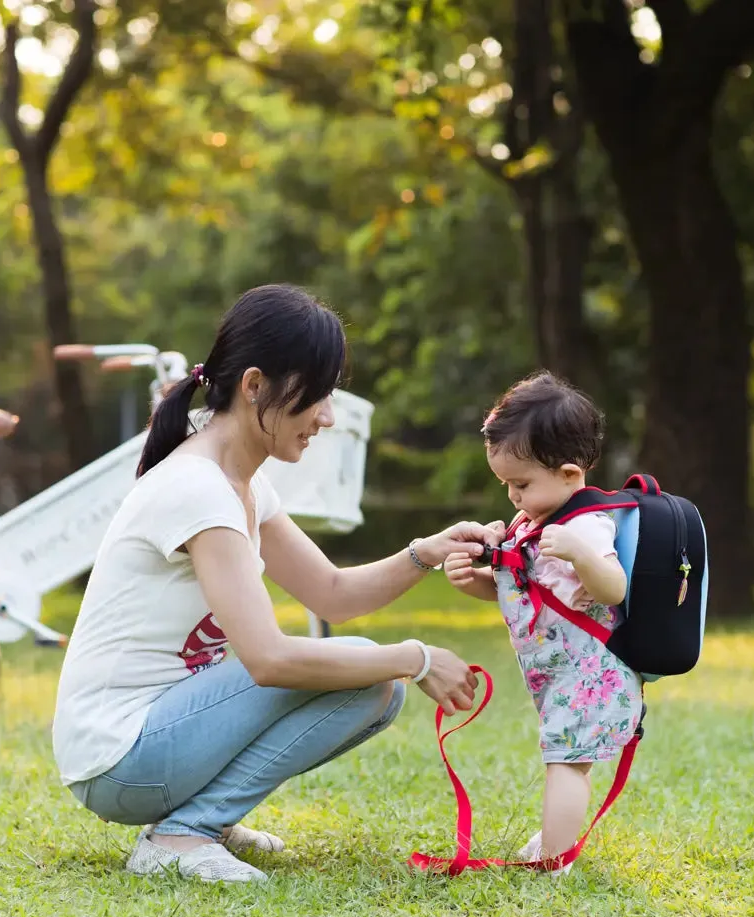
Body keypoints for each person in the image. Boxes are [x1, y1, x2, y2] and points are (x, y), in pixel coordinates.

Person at [51, 284, 501, 884]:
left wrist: (426, 552)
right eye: (316, 395)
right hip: (120, 756)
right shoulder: (198, 488)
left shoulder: (243, 484)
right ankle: (185, 833)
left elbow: (332, 593)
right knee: (377, 670)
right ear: (255, 385)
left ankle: (202, 817)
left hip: (152, 741)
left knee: (376, 683)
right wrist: (415, 658)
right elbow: (267, 658)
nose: (328, 416)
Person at [442, 372, 643, 876]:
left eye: (521, 484)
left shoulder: (583, 526)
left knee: (566, 762)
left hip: (592, 673)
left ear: (571, 475)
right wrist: (473, 581)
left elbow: (613, 589)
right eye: (506, 484)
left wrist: (581, 554)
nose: (512, 496)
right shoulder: (533, 523)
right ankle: (554, 842)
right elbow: (526, 595)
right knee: (566, 757)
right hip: (560, 674)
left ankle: (554, 861)